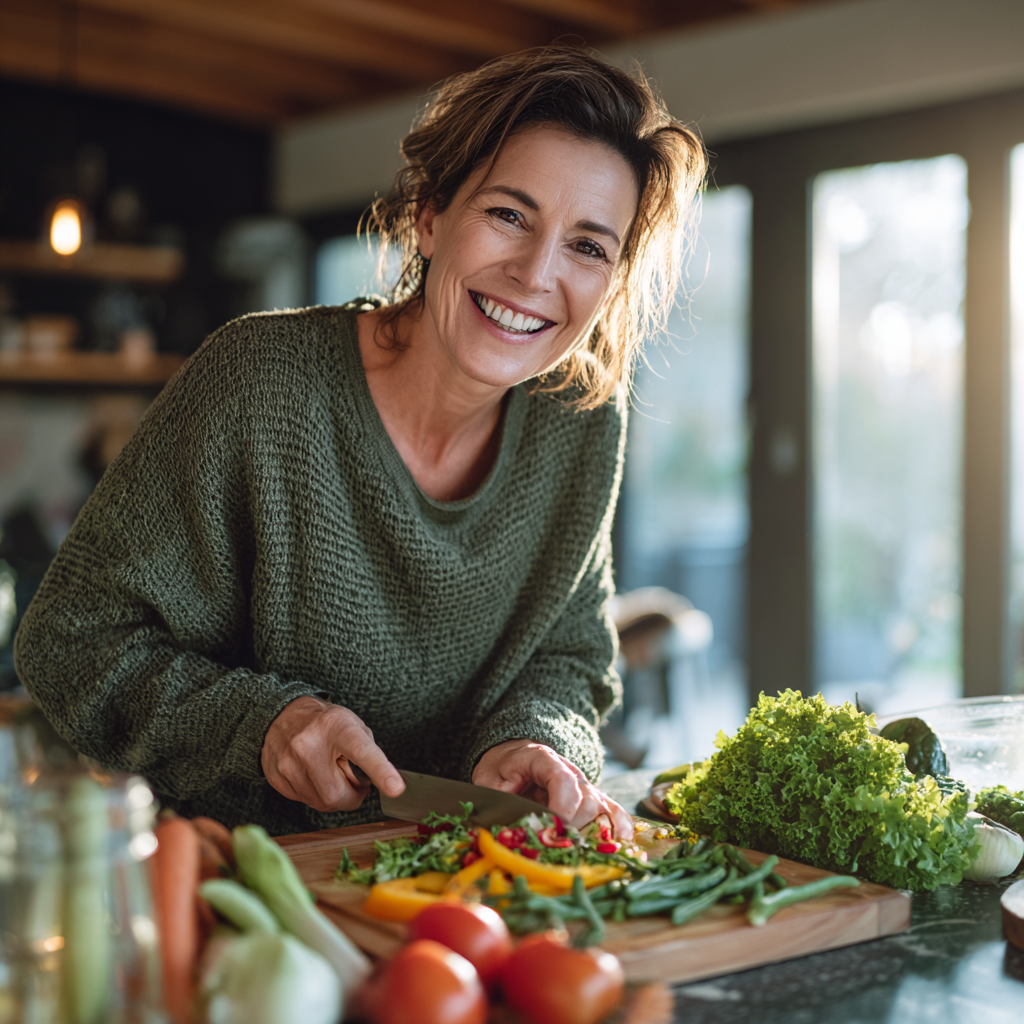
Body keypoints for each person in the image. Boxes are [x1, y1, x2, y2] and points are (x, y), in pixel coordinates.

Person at [14, 45, 705, 837]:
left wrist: (535, 737)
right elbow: (71, 640)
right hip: (251, 888)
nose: (536, 273)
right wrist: (261, 726)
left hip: (474, 885)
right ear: (431, 215)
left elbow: (570, 655)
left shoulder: (580, 417)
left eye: (588, 246)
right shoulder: (260, 381)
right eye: (509, 215)